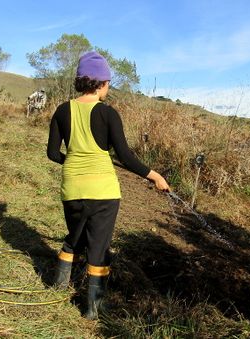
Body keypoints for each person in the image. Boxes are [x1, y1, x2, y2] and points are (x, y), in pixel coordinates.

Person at [46, 51, 170, 319]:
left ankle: (57, 289)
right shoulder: (108, 113)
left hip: (72, 189)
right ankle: (93, 310)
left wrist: (75, 163)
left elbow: (53, 154)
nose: (108, 87)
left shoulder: (61, 110)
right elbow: (125, 156)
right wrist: (155, 176)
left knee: (74, 240)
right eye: (108, 82)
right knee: (98, 250)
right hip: (103, 192)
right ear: (101, 82)